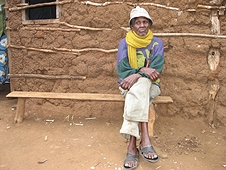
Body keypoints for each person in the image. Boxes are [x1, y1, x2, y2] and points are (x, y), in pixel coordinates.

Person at [116, 6, 165, 169]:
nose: (142, 25)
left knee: (141, 85)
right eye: (138, 23)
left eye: (145, 22)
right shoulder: (124, 43)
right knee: (140, 87)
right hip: (126, 84)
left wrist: (136, 75)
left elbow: (156, 70)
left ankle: (132, 145)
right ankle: (145, 141)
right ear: (131, 26)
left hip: (151, 86)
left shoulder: (157, 43)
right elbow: (122, 70)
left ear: (149, 24)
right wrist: (143, 70)